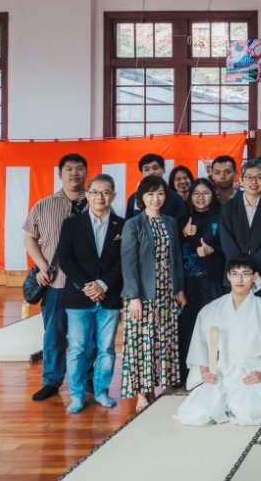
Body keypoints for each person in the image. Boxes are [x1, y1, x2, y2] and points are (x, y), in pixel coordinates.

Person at [175, 256, 261, 427]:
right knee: (195, 414)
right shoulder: (211, 310)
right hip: (221, 370)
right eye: (235, 274)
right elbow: (200, 344)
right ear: (228, 276)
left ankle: (233, 405)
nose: (240, 279)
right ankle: (223, 405)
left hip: (252, 370)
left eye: (246, 274)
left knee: (248, 414)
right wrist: (204, 369)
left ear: (254, 277)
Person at [23, 152, 89, 402]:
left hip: (85, 284)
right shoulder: (44, 204)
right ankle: (51, 380)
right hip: (56, 281)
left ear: (86, 172)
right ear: (59, 174)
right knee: (54, 334)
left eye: (79, 168)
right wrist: (41, 267)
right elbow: (30, 237)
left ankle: (89, 380)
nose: (74, 173)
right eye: (69, 169)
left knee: (88, 335)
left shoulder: (97, 202)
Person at [56, 174, 124, 413]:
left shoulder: (122, 225)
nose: (100, 197)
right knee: (77, 347)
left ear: (113, 195)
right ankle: (76, 395)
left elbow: (124, 260)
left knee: (106, 348)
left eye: (106, 192)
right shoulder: (71, 224)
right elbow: (65, 258)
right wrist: (88, 285)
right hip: (78, 297)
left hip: (109, 297)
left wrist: (103, 284)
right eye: (95, 192)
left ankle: (102, 391)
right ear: (88, 195)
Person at [121, 175, 186, 412]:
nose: (155, 198)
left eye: (159, 193)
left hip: (167, 293)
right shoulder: (134, 224)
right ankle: (142, 392)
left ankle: (162, 386)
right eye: (150, 194)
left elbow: (176, 258)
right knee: (142, 342)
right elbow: (128, 263)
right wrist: (133, 296)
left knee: (164, 340)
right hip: (143, 295)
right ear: (141, 198)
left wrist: (179, 289)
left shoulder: (170, 222)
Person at [220, 160, 261, 316]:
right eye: (249, 177)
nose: (253, 182)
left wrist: (252, 268)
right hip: (235, 276)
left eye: (258, 177)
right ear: (241, 180)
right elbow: (227, 241)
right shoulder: (229, 207)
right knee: (235, 320)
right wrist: (243, 269)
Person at [177, 178, 225, 385]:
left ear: (212, 194)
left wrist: (212, 249)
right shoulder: (182, 218)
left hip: (212, 280)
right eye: (196, 193)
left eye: (205, 193)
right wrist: (182, 233)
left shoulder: (222, 215)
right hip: (187, 284)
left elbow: (231, 246)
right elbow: (172, 253)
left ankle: (214, 373)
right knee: (186, 328)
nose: (200, 197)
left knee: (213, 328)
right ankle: (187, 376)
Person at [124, 154, 186, 221]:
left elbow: (180, 226)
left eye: (155, 168)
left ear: (163, 169)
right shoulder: (133, 198)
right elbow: (128, 224)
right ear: (142, 173)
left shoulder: (176, 198)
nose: (151, 172)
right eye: (147, 169)